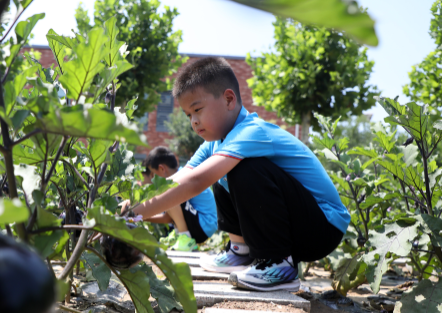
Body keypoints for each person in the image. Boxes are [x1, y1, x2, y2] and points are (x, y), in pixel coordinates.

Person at [123, 57, 349, 292]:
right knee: (218, 167)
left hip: (322, 228)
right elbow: (181, 179)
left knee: (240, 167)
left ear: (229, 99)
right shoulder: (215, 143)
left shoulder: (252, 132)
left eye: (198, 110)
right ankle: (240, 250)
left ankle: (278, 263)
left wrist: (133, 213)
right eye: (188, 115)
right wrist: (134, 207)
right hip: (298, 225)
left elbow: (196, 183)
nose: (194, 121)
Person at [140, 146, 217, 251]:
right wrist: (140, 217)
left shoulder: (184, 178)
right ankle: (181, 236)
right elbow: (167, 218)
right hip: (199, 225)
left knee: (168, 192)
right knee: (168, 193)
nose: (153, 179)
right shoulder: (179, 177)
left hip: (203, 225)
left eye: (154, 174)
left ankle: (185, 239)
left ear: (162, 169)